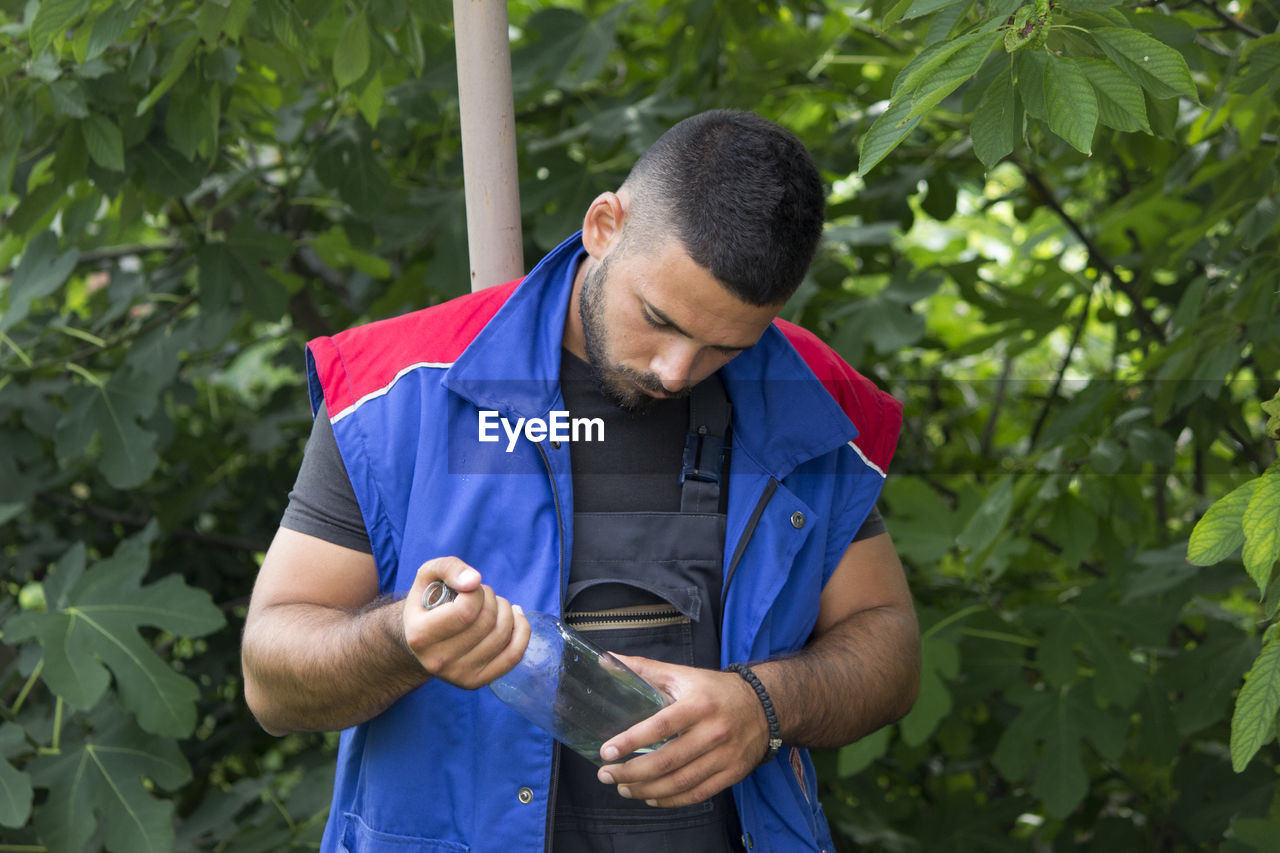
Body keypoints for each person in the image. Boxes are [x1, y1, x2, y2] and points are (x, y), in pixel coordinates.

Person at [242, 109, 920, 853]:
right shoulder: (397, 390)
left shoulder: (810, 398)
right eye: (658, 318)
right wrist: (402, 636)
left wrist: (766, 705)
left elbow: (888, 648)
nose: (675, 370)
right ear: (604, 224)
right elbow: (271, 677)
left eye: (725, 346)